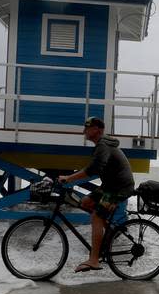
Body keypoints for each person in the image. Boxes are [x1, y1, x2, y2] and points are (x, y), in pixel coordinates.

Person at [58, 117, 135, 272]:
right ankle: (113, 230)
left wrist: (69, 178)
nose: (84, 130)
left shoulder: (103, 145)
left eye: (88, 127)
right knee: (86, 202)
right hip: (110, 186)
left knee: (97, 217)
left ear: (98, 130)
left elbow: (94, 169)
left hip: (119, 187)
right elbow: (95, 167)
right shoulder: (102, 145)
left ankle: (94, 260)